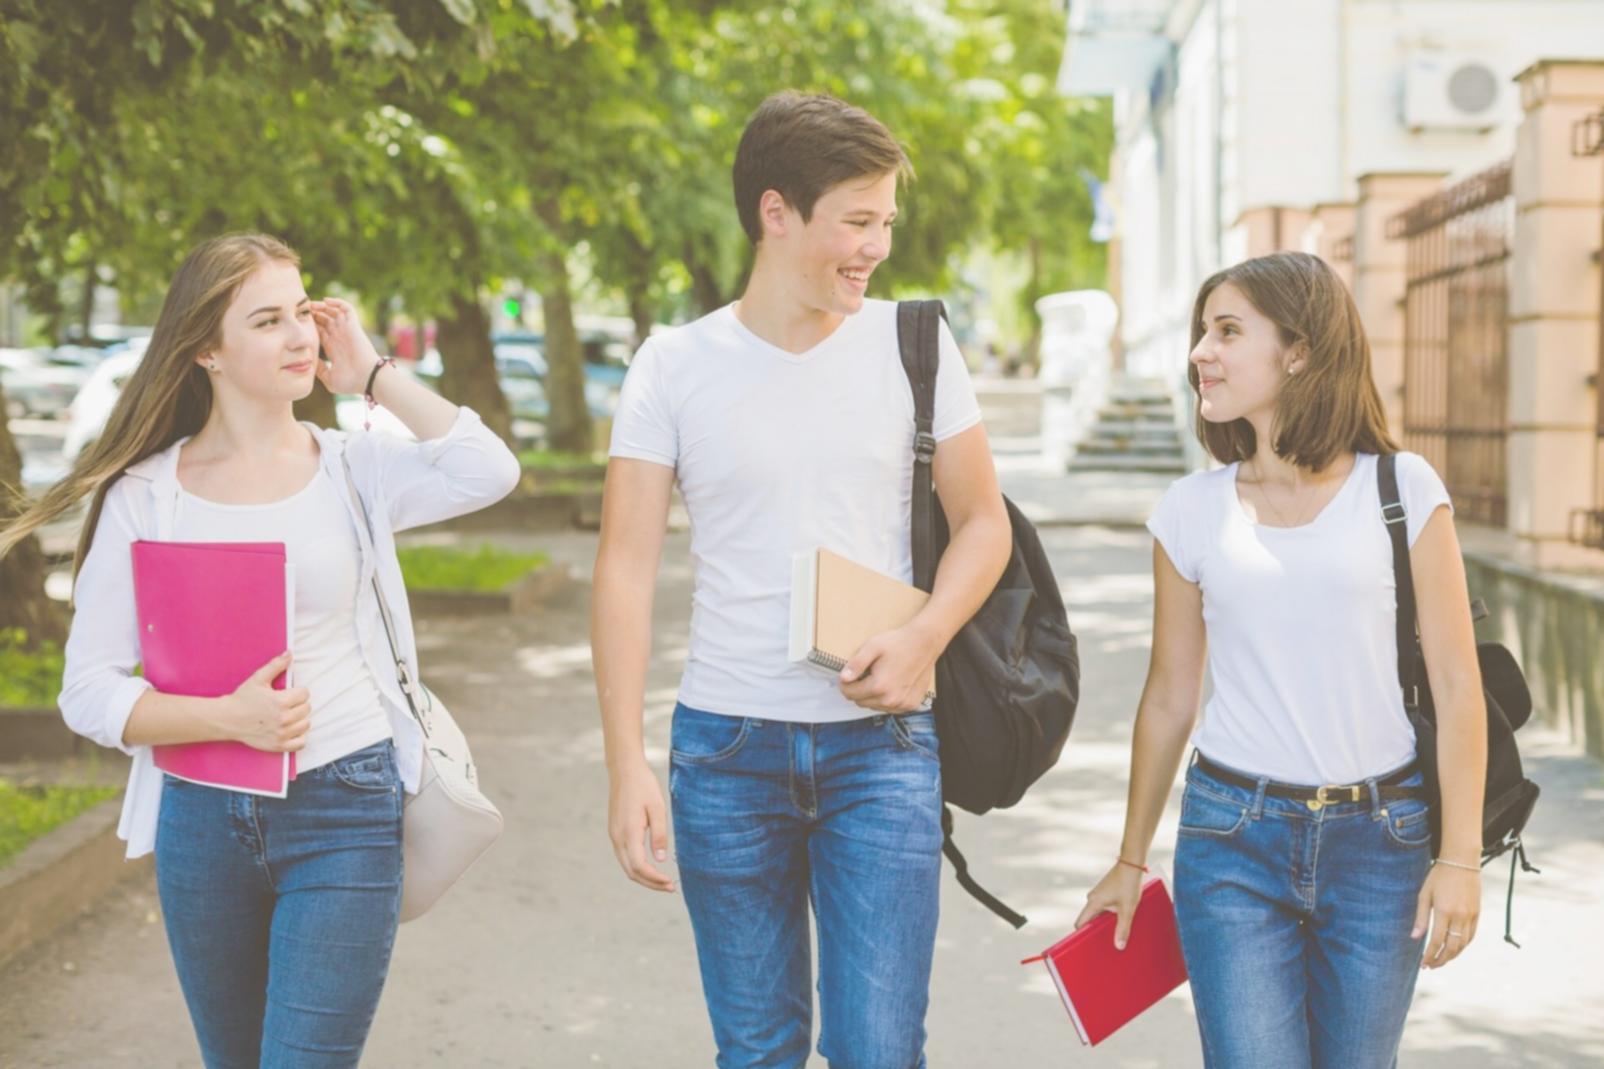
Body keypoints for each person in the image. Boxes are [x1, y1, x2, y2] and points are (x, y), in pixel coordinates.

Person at [0, 233, 520, 1068]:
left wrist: (374, 376)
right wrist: (227, 716)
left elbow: (488, 470)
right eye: (268, 320)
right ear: (206, 348)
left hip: (346, 803)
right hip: (200, 819)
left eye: (302, 312)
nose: (299, 336)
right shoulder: (145, 495)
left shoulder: (353, 467)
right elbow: (86, 691)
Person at [591, 91, 1011, 1069]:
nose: (875, 246)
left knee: (875, 1049)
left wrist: (924, 636)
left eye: (885, 224)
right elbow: (624, 566)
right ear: (776, 212)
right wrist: (624, 763)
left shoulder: (914, 344)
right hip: (725, 753)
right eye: (856, 222)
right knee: (757, 1050)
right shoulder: (673, 365)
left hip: (882, 750)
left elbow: (982, 522)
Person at [1077, 251, 1488, 1068]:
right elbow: (1169, 695)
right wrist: (1130, 858)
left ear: (1298, 350)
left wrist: (1461, 858)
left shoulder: (1402, 488)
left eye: (1228, 331)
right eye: (1202, 331)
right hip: (1233, 837)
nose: (1201, 351)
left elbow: (1455, 683)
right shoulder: (1190, 509)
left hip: (1383, 840)